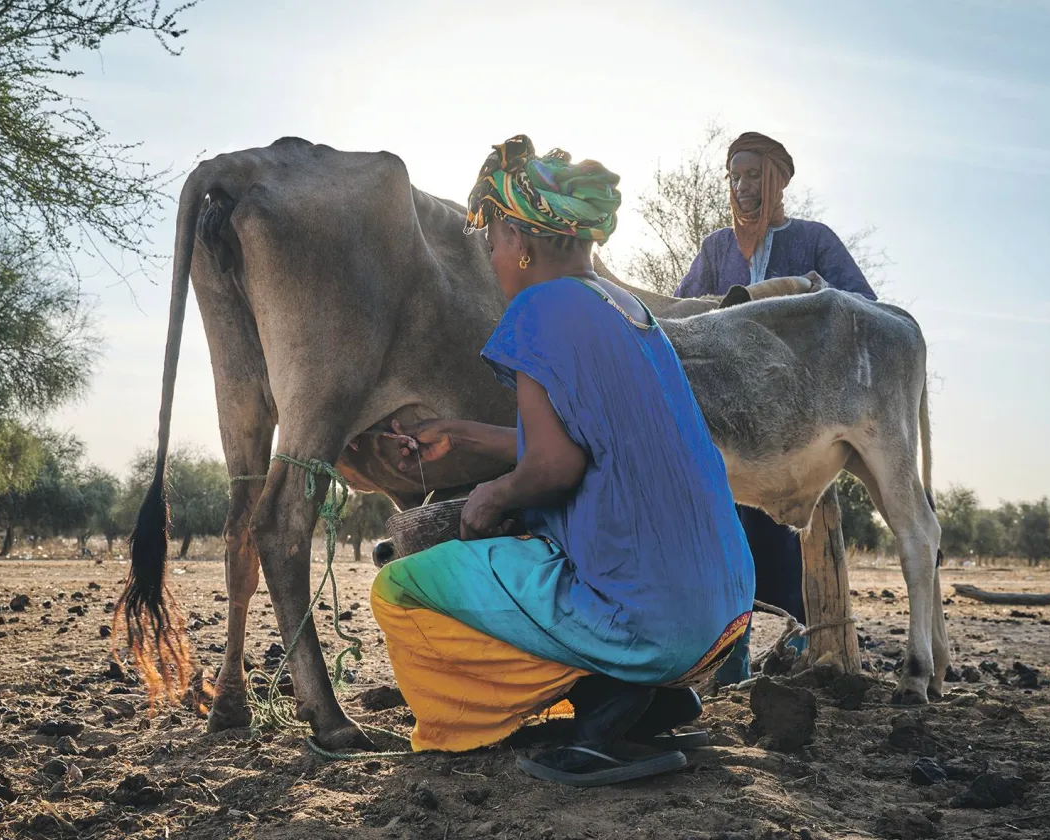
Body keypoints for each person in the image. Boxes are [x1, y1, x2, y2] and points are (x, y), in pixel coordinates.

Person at [372, 135, 756, 787]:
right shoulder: (630, 312)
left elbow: (555, 468)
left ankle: (595, 706)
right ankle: (650, 695)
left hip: (648, 617)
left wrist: (492, 494)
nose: (492, 255)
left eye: (491, 238)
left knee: (400, 589)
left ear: (522, 238)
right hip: (723, 612)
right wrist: (465, 439)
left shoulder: (538, 307)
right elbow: (596, 445)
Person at [673, 131, 877, 684]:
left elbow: (862, 306)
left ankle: (806, 655)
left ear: (780, 181)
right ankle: (730, 664)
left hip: (795, 424)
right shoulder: (716, 250)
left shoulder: (813, 241)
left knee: (791, 546)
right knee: (727, 539)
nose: (743, 188)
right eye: (735, 176)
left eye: (754, 176)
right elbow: (682, 314)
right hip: (728, 425)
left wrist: (804, 294)